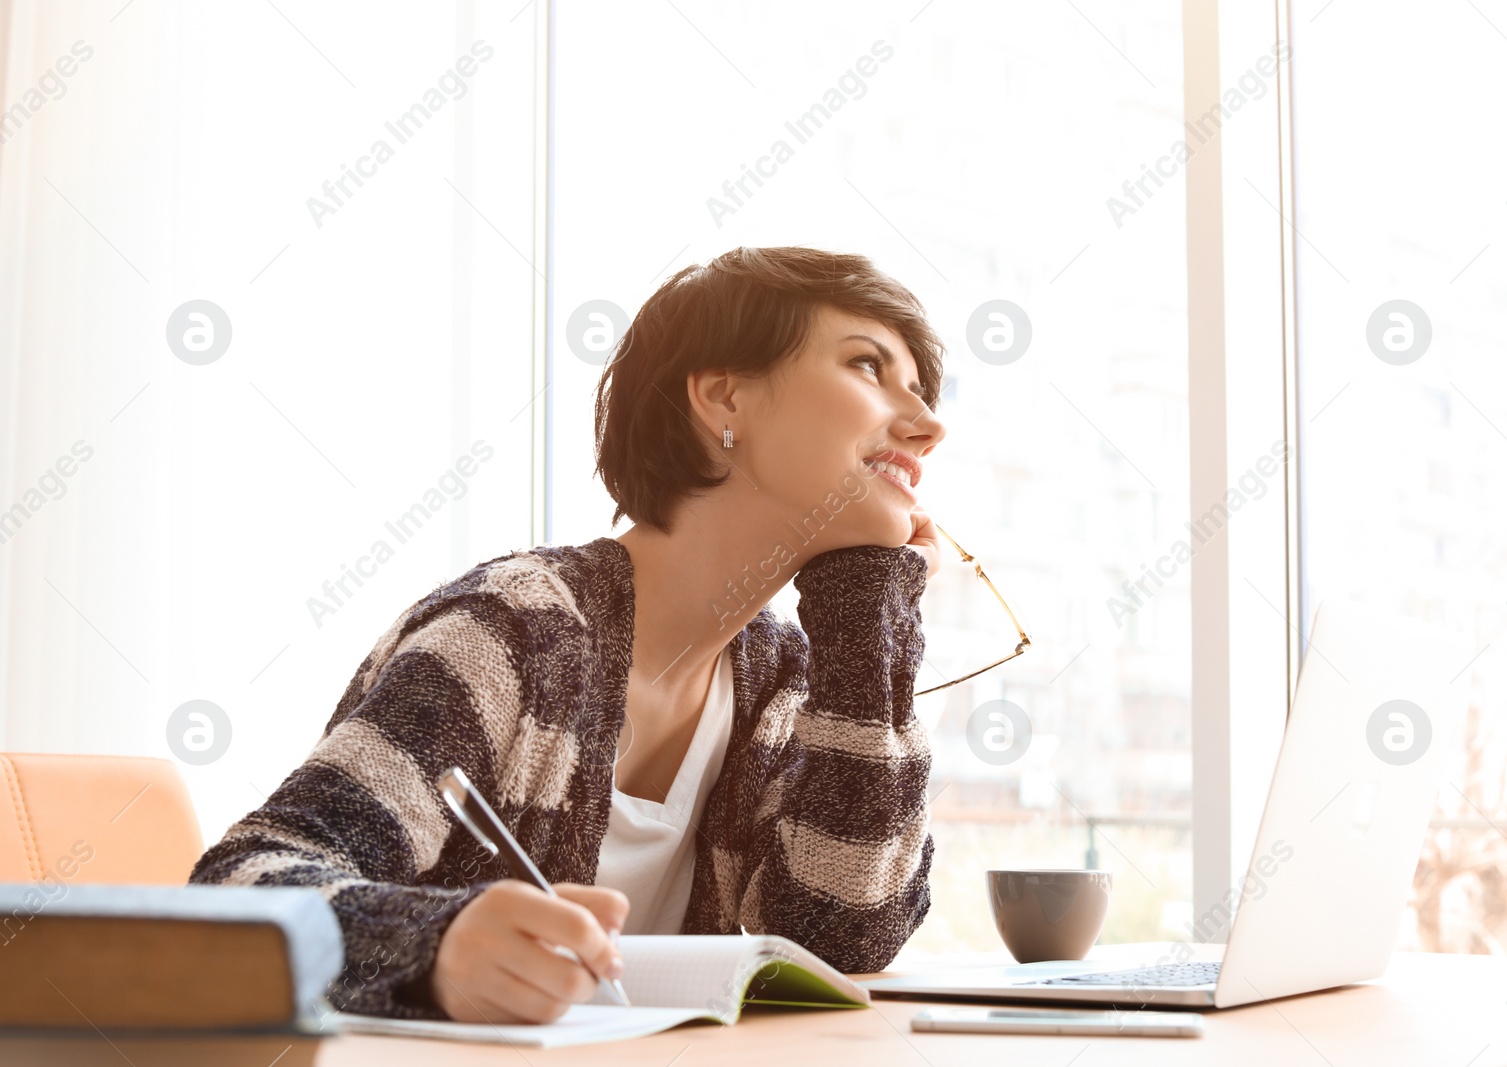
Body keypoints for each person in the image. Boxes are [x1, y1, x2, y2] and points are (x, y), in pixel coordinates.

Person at [189, 246, 949, 1023]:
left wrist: (867, 611)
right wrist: (433, 946)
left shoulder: (782, 681)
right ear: (724, 398)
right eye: (867, 367)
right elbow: (239, 885)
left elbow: (843, 934)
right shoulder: (516, 632)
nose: (929, 426)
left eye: (921, 393)